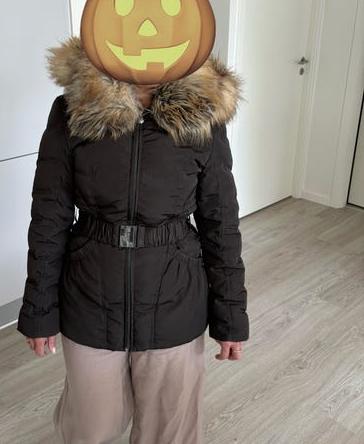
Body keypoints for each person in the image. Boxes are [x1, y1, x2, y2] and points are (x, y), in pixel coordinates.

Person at [17, 36, 250, 443]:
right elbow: (49, 217)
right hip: (89, 297)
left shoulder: (204, 114)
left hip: (175, 301)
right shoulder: (75, 107)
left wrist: (231, 317)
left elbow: (221, 224)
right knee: (90, 428)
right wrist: (39, 311)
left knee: (170, 431)